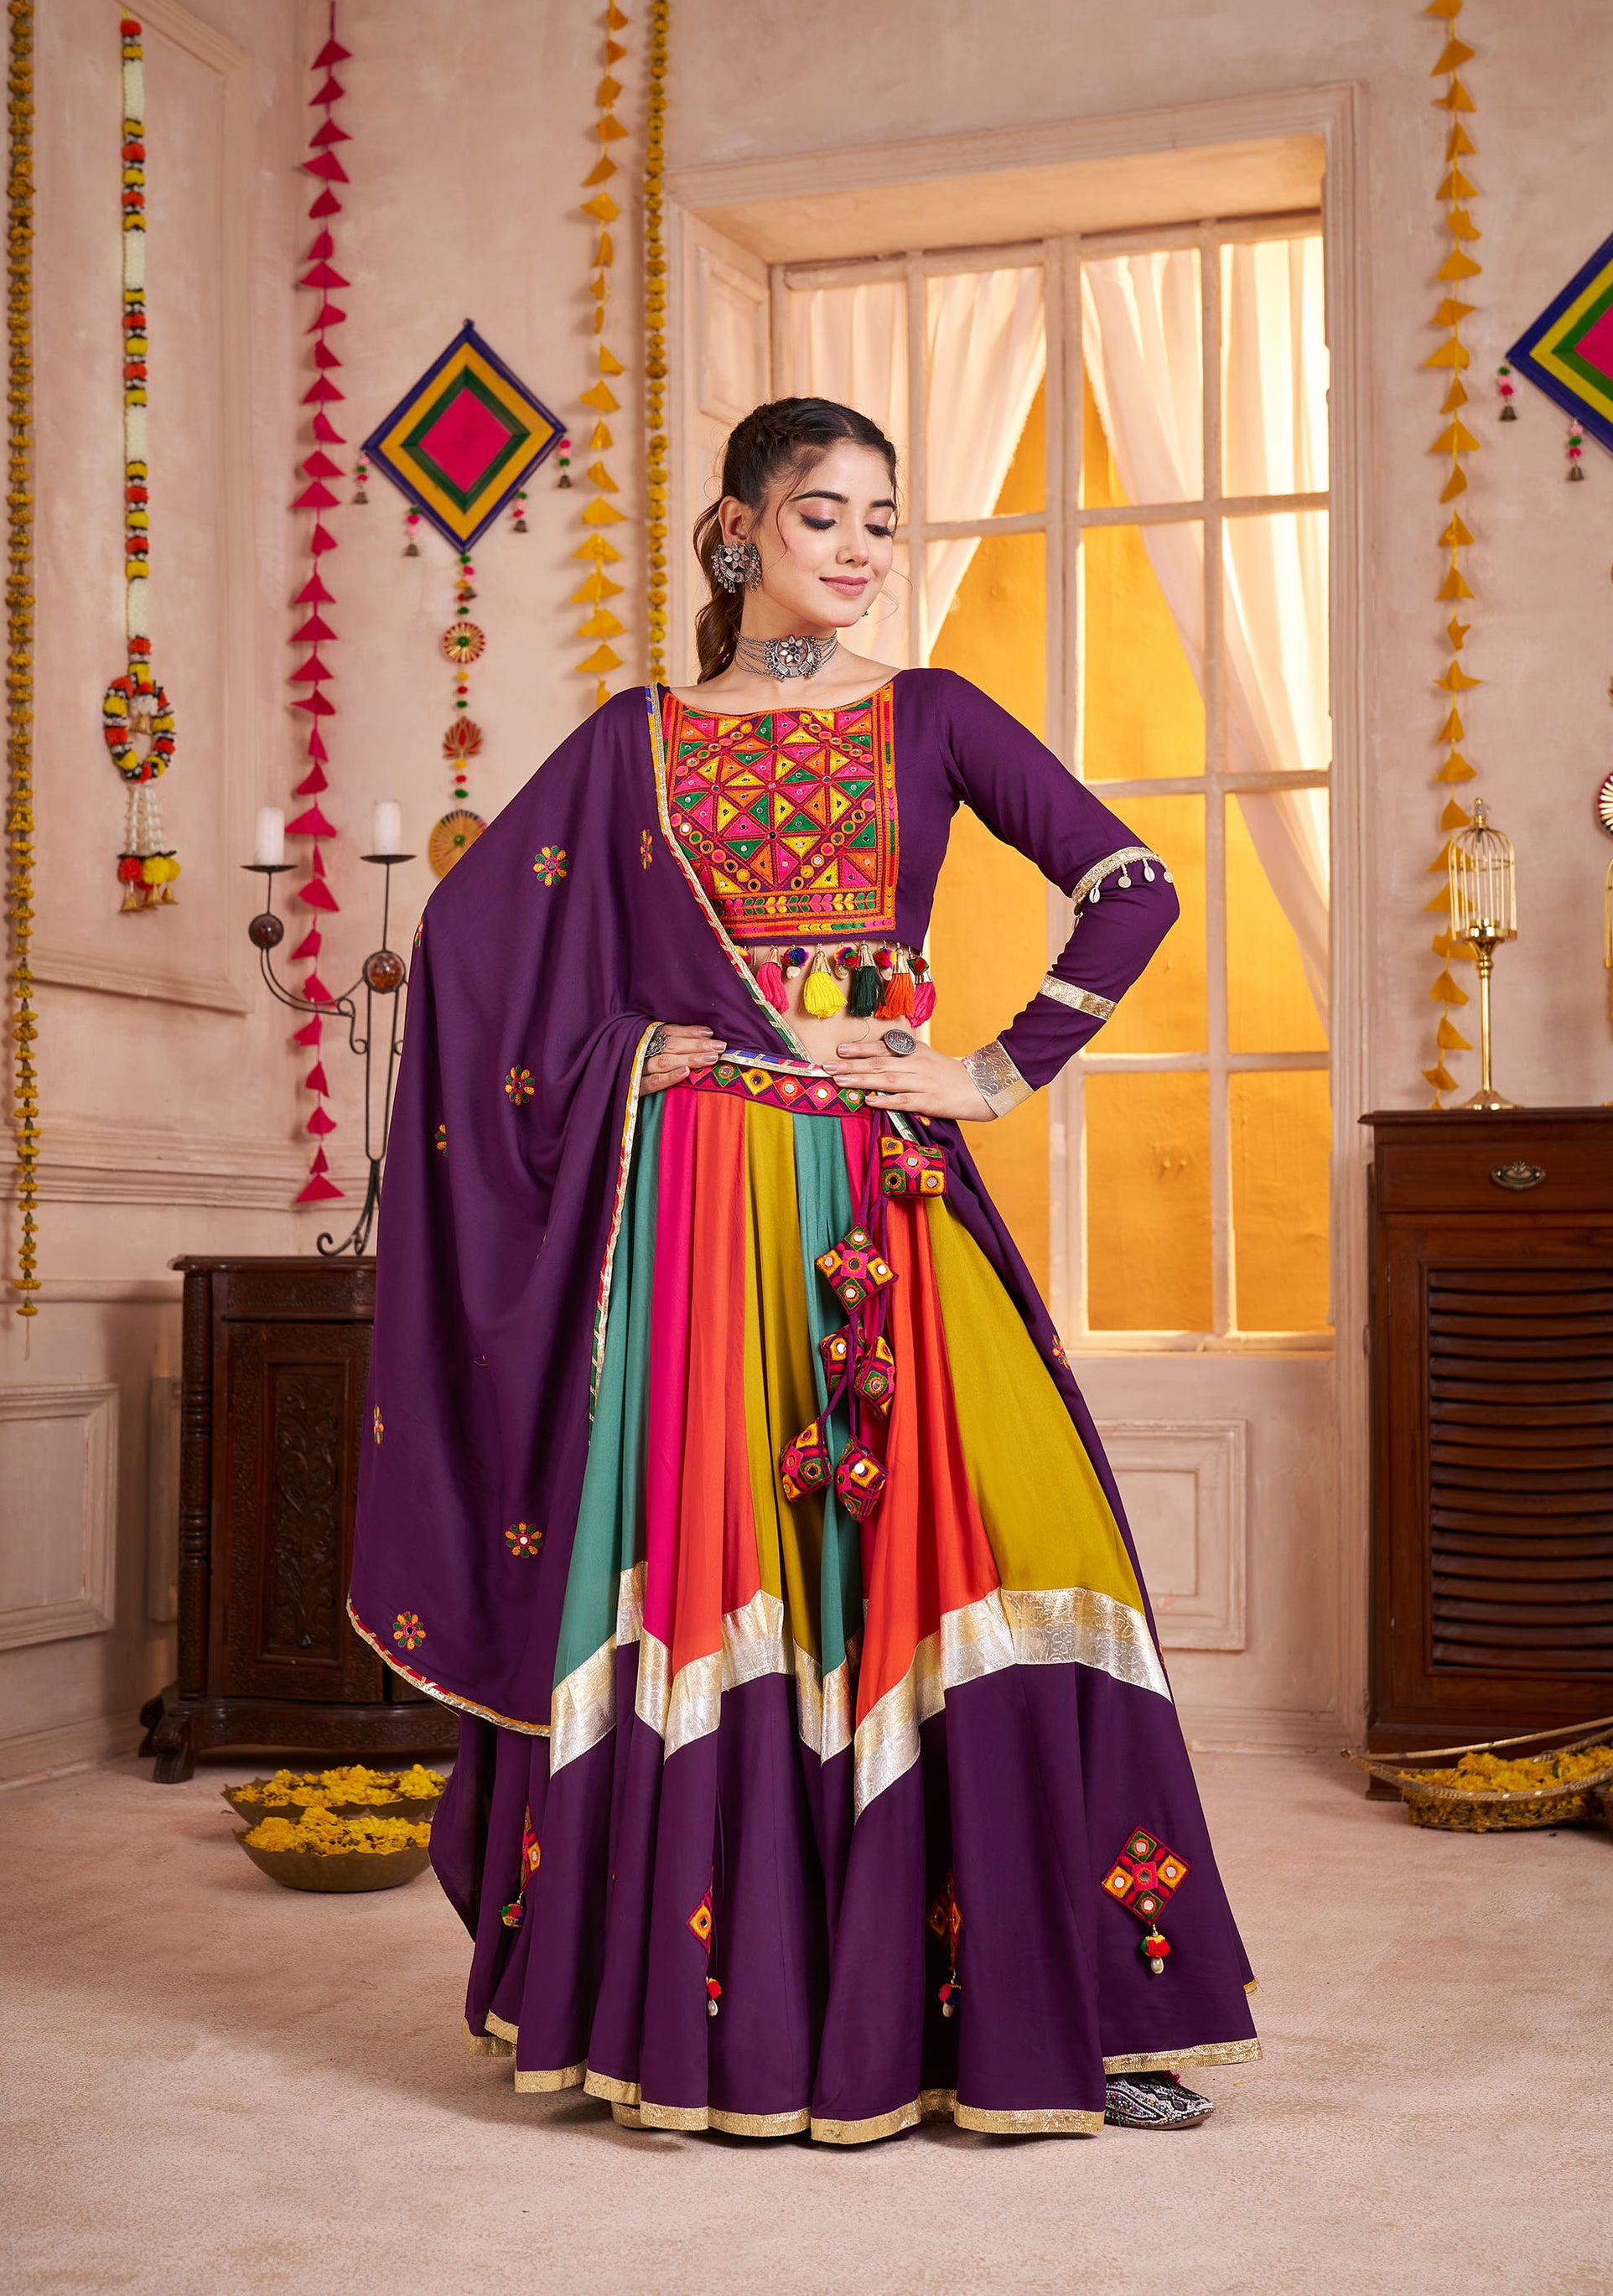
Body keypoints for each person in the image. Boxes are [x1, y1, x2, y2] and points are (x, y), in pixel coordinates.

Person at [350, 396, 1259, 2143]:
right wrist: (632, 1052)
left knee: (1007, 1533)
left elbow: (1129, 883)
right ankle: (716, 2020)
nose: (856, 549)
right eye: (821, 513)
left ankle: (1071, 2007)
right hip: (692, 1210)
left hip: (876, 1189)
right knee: (721, 1570)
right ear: (738, 530)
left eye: (880, 520)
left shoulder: (930, 714)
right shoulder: (632, 743)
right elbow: (469, 944)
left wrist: (993, 1069)